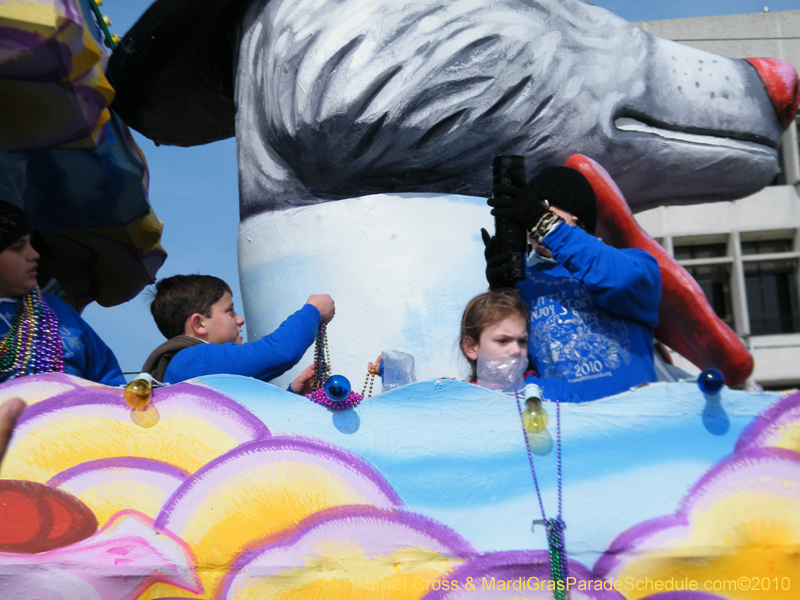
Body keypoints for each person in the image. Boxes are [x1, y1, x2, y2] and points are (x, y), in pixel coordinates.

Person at [483, 166, 661, 401]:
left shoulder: (636, 263)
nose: (530, 221)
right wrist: (499, 296)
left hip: (636, 422)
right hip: (568, 429)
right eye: (529, 211)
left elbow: (620, 281)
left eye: (542, 207)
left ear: (576, 215)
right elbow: (505, 368)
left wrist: (545, 224)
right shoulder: (523, 281)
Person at [0, 201, 125, 386]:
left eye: (30, 243)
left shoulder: (59, 310)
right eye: (18, 247)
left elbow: (111, 384)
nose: (34, 254)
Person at [142, 274, 334, 391]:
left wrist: (293, 391)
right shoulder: (198, 360)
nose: (240, 319)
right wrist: (313, 310)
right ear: (199, 324)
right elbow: (279, 351)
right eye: (229, 311)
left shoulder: (186, 365)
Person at [460, 289, 582, 403]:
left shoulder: (556, 391)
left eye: (522, 341)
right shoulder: (464, 402)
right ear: (471, 347)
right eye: (502, 340)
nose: (516, 350)